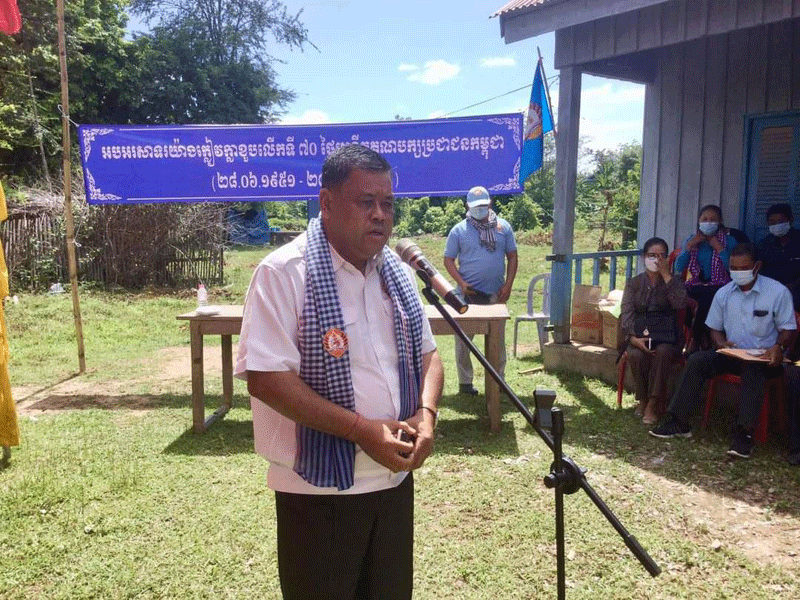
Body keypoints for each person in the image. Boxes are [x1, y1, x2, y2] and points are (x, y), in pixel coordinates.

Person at [235, 144, 444, 600]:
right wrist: (360, 430)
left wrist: (426, 414)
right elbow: (266, 379)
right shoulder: (284, 272)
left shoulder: (398, 273)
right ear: (326, 203)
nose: (380, 215)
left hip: (393, 479)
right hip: (317, 493)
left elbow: (429, 355)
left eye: (387, 203)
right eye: (365, 201)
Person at [650, 243, 796, 459]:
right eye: (733, 268)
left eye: (744, 268)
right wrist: (720, 343)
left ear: (757, 266)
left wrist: (778, 347)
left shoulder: (777, 292)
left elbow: (788, 328)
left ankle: (744, 434)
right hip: (733, 354)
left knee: (753, 368)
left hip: (765, 359)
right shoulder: (724, 293)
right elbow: (715, 328)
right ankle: (678, 421)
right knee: (697, 360)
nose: (738, 273)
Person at [443, 186, 518, 395]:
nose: (479, 210)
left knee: (497, 342)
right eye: (475, 207)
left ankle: (498, 381)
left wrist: (509, 285)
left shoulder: (503, 228)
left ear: (489, 204)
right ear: (468, 206)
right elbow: (448, 260)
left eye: (483, 206)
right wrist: (461, 282)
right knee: (463, 341)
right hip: (468, 296)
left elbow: (512, 256)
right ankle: (465, 383)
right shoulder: (459, 230)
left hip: (496, 295)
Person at [620, 237, 687, 425]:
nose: (656, 260)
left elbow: (680, 303)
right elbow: (626, 312)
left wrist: (666, 276)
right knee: (636, 355)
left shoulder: (674, 281)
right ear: (644, 257)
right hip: (640, 335)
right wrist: (632, 338)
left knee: (663, 353)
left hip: (667, 337)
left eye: (661, 256)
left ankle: (653, 402)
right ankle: (642, 399)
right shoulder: (634, 283)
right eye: (652, 255)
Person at [673, 205, 738, 350]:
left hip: (721, 285)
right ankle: (701, 336)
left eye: (713, 220)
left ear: (720, 221)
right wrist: (688, 247)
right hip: (696, 284)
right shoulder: (692, 239)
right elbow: (678, 266)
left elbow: (732, 268)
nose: (708, 223)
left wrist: (719, 248)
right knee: (679, 297)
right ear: (699, 221)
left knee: (706, 300)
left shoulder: (730, 241)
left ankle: (696, 339)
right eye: (705, 219)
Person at [756, 203, 800, 297]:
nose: (777, 225)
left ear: (790, 220)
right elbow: (760, 270)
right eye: (772, 223)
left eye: (780, 222)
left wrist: (794, 285)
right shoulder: (764, 244)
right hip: (773, 294)